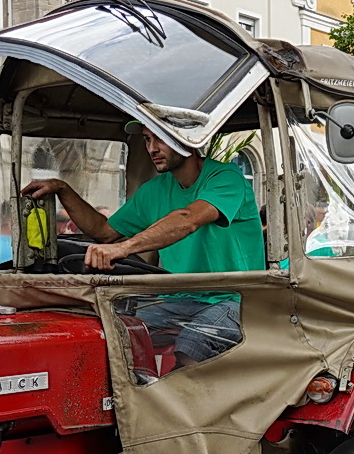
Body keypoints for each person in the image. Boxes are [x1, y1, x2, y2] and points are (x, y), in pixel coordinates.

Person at [21, 122, 264, 366]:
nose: (152, 148)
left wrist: (123, 249)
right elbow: (104, 232)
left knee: (192, 346)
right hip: (179, 300)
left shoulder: (226, 178)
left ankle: (174, 399)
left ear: (187, 139)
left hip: (238, 299)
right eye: (148, 140)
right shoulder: (154, 191)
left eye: (160, 139)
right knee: (116, 334)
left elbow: (187, 220)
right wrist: (63, 189)